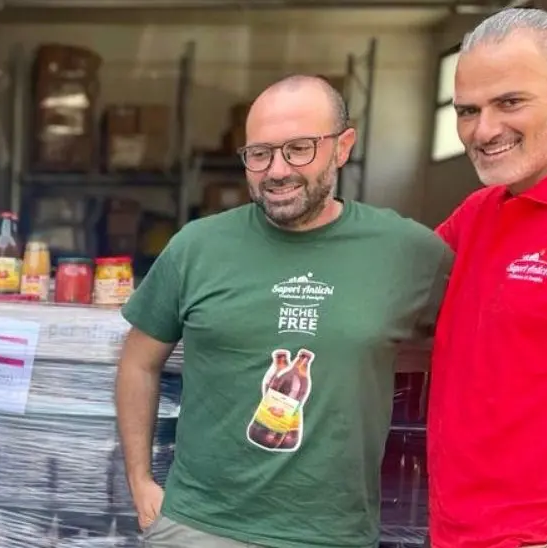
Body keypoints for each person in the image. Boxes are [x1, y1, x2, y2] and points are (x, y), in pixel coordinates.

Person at [114, 74, 452, 548]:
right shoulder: (197, 247)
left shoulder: (407, 252)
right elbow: (138, 362)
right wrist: (140, 481)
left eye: (298, 149)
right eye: (260, 153)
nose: (276, 170)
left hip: (332, 535)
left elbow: (483, 349)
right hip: (196, 527)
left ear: (342, 146)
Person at [429, 8, 547, 548]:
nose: (484, 130)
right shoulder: (478, 214)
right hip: (454, 533)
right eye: (468, 110)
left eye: (510, 103)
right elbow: (378, 293)